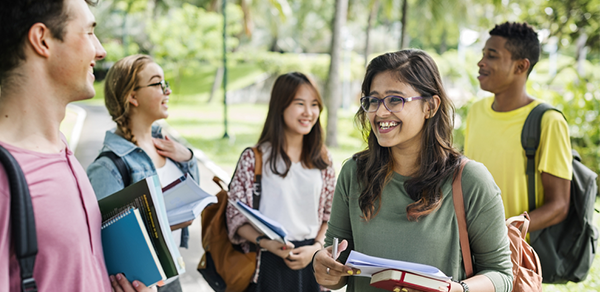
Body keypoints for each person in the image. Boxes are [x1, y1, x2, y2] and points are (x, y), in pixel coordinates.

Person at [312, 50, 514, 292]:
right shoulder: (354, 173)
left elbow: (501, 275)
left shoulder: (470, 180)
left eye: (395, 99)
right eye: (373, 100)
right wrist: (324, 266)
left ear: (430, 106)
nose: (380, 112)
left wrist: (456, 290)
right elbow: (337, 266)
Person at [0, 0, 150, 291]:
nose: (101, 50)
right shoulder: (4, 177)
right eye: (89, 32)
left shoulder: (60, 148)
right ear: (42, 40)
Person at [87, 54, 199, 292]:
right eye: (158, 83)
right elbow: (105, 245)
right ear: (132, 96)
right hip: (143, 286)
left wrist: (188, 158)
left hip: (172, 278)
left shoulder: (167, 144)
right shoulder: (107, 167)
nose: (167, 91)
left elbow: (193, 195)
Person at [225, 72, 336, 292]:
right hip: (266, 260)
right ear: (281, 105)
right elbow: (235, 215)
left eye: (314, 104)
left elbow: (330, 215)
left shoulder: (323, 159)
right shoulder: (254, 158)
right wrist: (266, 243)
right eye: (300, 103)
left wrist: (315, 248)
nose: (308, 112)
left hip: (310, 262)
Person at [464, 22, 572, 232]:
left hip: (520, 256)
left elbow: (559, 206)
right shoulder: (476, 111)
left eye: (491, 56)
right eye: (483, 54)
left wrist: (504, 233)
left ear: (521, 66)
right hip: (473, 248)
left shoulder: (548, 121)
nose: (481, 62)